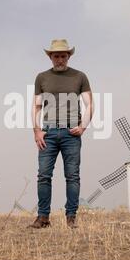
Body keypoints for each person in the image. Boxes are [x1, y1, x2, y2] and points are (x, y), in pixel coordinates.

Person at [29, 39, 93, 229]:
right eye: (56, 56)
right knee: (43, 175)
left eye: (63, 56)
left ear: (69, 56)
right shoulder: (41, 78)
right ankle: (43, 218)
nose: (60, 59)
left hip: (71, 132)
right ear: (50, 57)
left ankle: (71, 217)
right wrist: (37, 130)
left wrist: (83, 126)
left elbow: (90, 104)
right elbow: (36, 106)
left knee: (72, 175)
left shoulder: (80, 76)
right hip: (47, 132)